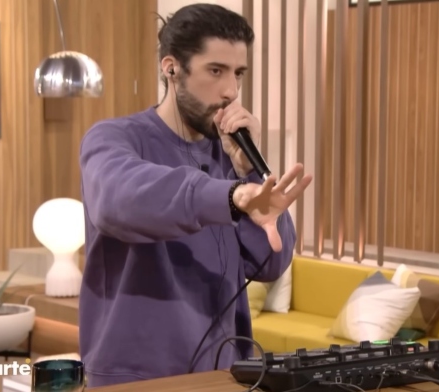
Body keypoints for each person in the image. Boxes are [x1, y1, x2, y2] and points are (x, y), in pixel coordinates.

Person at [77, 3, 313, 387]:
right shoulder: (114, 138)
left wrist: (248, 168)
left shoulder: (232, 157)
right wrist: (231, 195)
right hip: (133, 377)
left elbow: (271, 263)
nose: (231, 91)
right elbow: (119, 199)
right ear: (171, 68)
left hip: (224, 372)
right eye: (215, 71)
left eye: (238, 74)